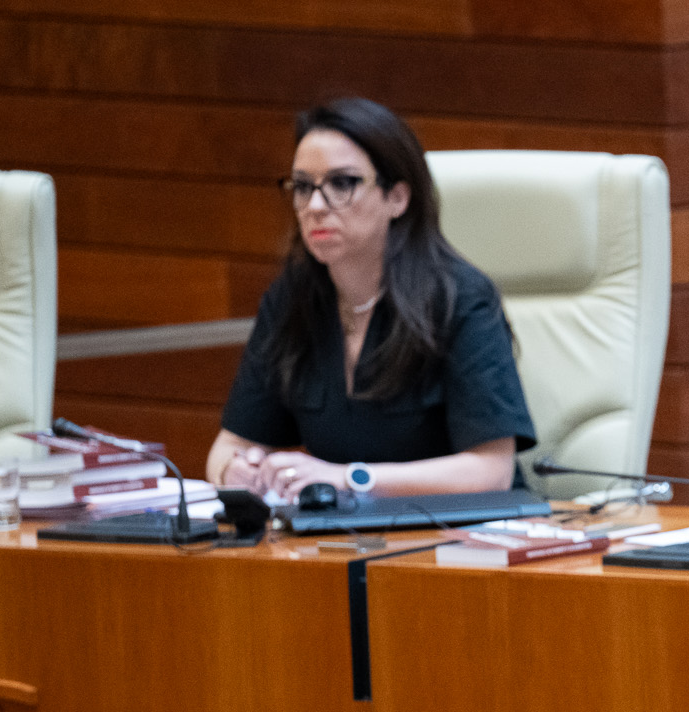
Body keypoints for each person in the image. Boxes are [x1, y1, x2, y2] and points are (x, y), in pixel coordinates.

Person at [209, 98, 536, 499]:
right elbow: (230, 446)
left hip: (462, 539)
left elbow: (491, 471)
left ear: (397, 198)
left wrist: (349, 480)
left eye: (342, 184)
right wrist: (236, 473)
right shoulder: (292, 298)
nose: (314, 206)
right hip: (342, 540)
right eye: (302, 187)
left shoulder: (460, 297)